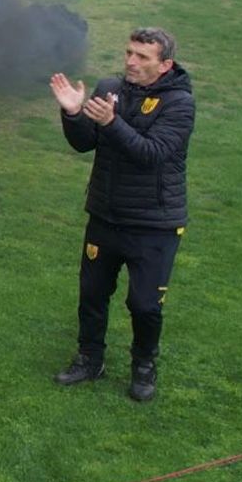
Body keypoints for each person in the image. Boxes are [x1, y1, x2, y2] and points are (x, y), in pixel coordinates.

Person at [49, 27, 195, 402]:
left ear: (165, 65)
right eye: (129, 52)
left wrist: (112, 123)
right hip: (105, 215)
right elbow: (85, 143)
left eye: (142, 56)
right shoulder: (109, 87)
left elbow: (152, 153)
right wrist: (73, 113)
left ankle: (144, 366)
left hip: (154, 225)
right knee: (92, 293)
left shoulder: (179, 103)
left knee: (144, 304)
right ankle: (89, 359)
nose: (130, 61)